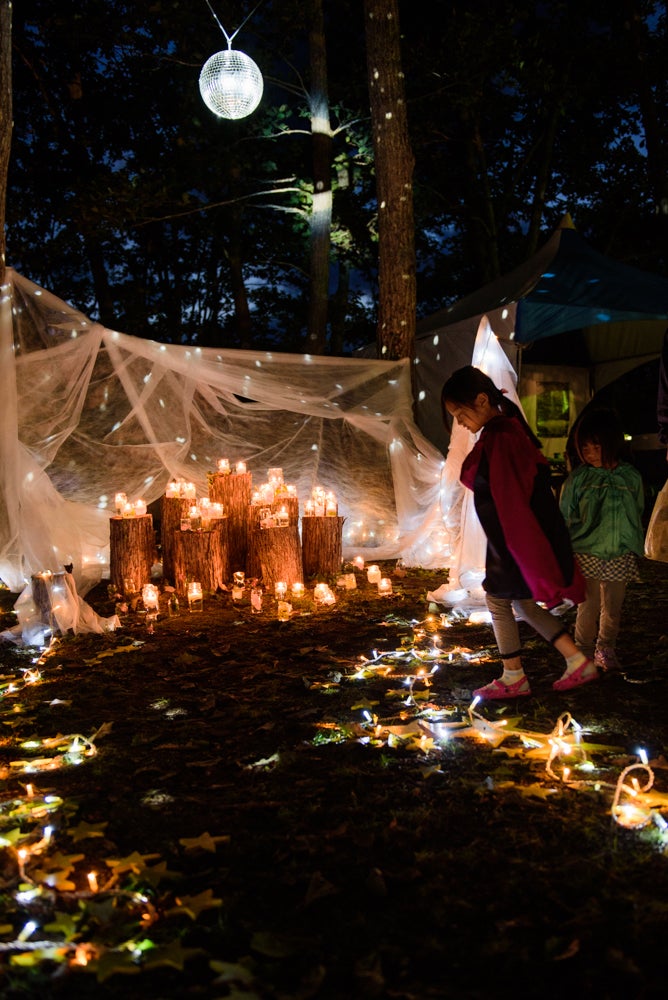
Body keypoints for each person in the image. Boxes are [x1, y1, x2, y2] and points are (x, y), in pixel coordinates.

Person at [441, 365, 596, 699]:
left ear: (482, 400)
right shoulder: (502, 432)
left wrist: (522, 552)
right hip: (509, 541)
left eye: (460, 414)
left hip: (512, 541)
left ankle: (515, 675)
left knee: (499, 601)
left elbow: (511, 499)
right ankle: (574, 661)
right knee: (521, 603)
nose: (460, 422)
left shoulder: (503, 437)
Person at [559, 408, 645, 673]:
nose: (589, 452)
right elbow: (565, 513)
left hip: (619, 551)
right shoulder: (579, 479)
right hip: (586, 550)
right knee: (588, 605)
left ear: (611, 443)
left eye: (595, 446)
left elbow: (637, 509)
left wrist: (633, 542)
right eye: (584, 447)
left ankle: (606, 648)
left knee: (614, 605)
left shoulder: (629, 477)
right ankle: (583, 653)